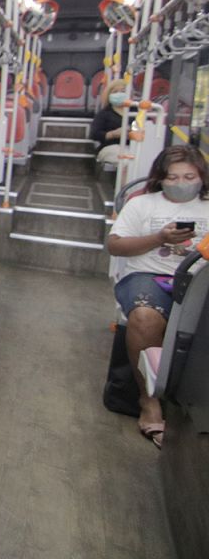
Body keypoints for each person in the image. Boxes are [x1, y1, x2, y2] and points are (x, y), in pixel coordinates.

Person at [107, 144, 209, 448]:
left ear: (202, 176)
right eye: (173, 177)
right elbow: (115, 246)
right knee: (144, 317)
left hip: (201, 279)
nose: (181, 183)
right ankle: (149, 401)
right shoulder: (142, 205)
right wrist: (158, 239)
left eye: (189, 176)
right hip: (148, 275)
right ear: (160, 179)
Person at [90, 78, 131, 165]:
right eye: (115, 92)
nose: (119, 94)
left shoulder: (137, 113)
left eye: (123, 91)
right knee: (126, 161)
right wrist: (113, 134)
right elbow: (94, 134)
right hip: (110, 147)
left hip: (133, 147)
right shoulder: (104, 114)